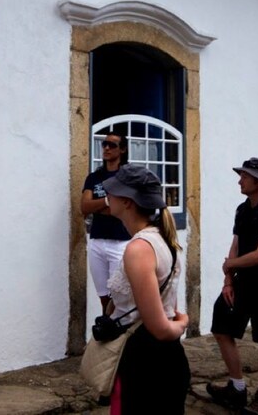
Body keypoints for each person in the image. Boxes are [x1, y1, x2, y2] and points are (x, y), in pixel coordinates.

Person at [102, 164, 189, 414]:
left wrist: (183, 325)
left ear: (128, 201)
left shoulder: (139, 248)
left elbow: (160, 329)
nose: (108, 195)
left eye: (114, 191)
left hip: (148, 364)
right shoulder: (160, 238)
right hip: (156, 359)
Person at [206, 158, 258, 415]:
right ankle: (237, 387)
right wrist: (228, 279)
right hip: (242, 281)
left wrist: (230, 264)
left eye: (245, 176)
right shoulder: (243, 210)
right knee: (221, 327)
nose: (240, 180)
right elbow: (237, 243)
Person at [81, 132, 131, 311]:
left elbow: (121, 209)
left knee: (118, 296)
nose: (107, 148)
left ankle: (119, 335)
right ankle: (108, 332)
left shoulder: (126, 176)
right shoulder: (94, 177)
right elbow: (84, 207)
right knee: (103, 297)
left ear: (123, 149)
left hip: (120, 242)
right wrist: (107, 201)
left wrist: (101, 206)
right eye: (104, 144)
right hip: (97, 241)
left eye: (112, 145)